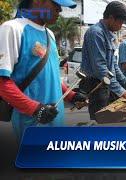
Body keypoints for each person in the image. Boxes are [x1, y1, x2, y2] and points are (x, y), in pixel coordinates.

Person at [0, 0, 86, 141]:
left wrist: (71, 95)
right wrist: (36, 109)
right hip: (32, 123)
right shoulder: (12, 29)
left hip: (56, 120)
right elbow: (2, 83)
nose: (60, 10)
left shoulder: (49, 34)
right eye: (56, 5)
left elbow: (51, 76)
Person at [80, 1, 126, 120]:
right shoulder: (96, 33)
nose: (121, 26)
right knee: (100, 122)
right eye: (120, 22)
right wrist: (120, 90)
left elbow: (113, 66)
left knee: (110, 121)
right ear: (111, 18)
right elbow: (100, 68)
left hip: (107, 85)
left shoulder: (109, 35)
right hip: (96, 85)